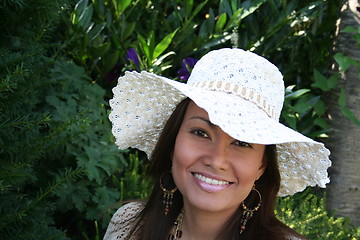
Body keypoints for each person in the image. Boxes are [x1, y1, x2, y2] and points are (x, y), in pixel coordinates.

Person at [104, 48, 331, 240]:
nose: (217, 160)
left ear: (262, 165)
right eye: (201, 133)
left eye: (242, 143)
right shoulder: (129, 226)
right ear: (173, 142)